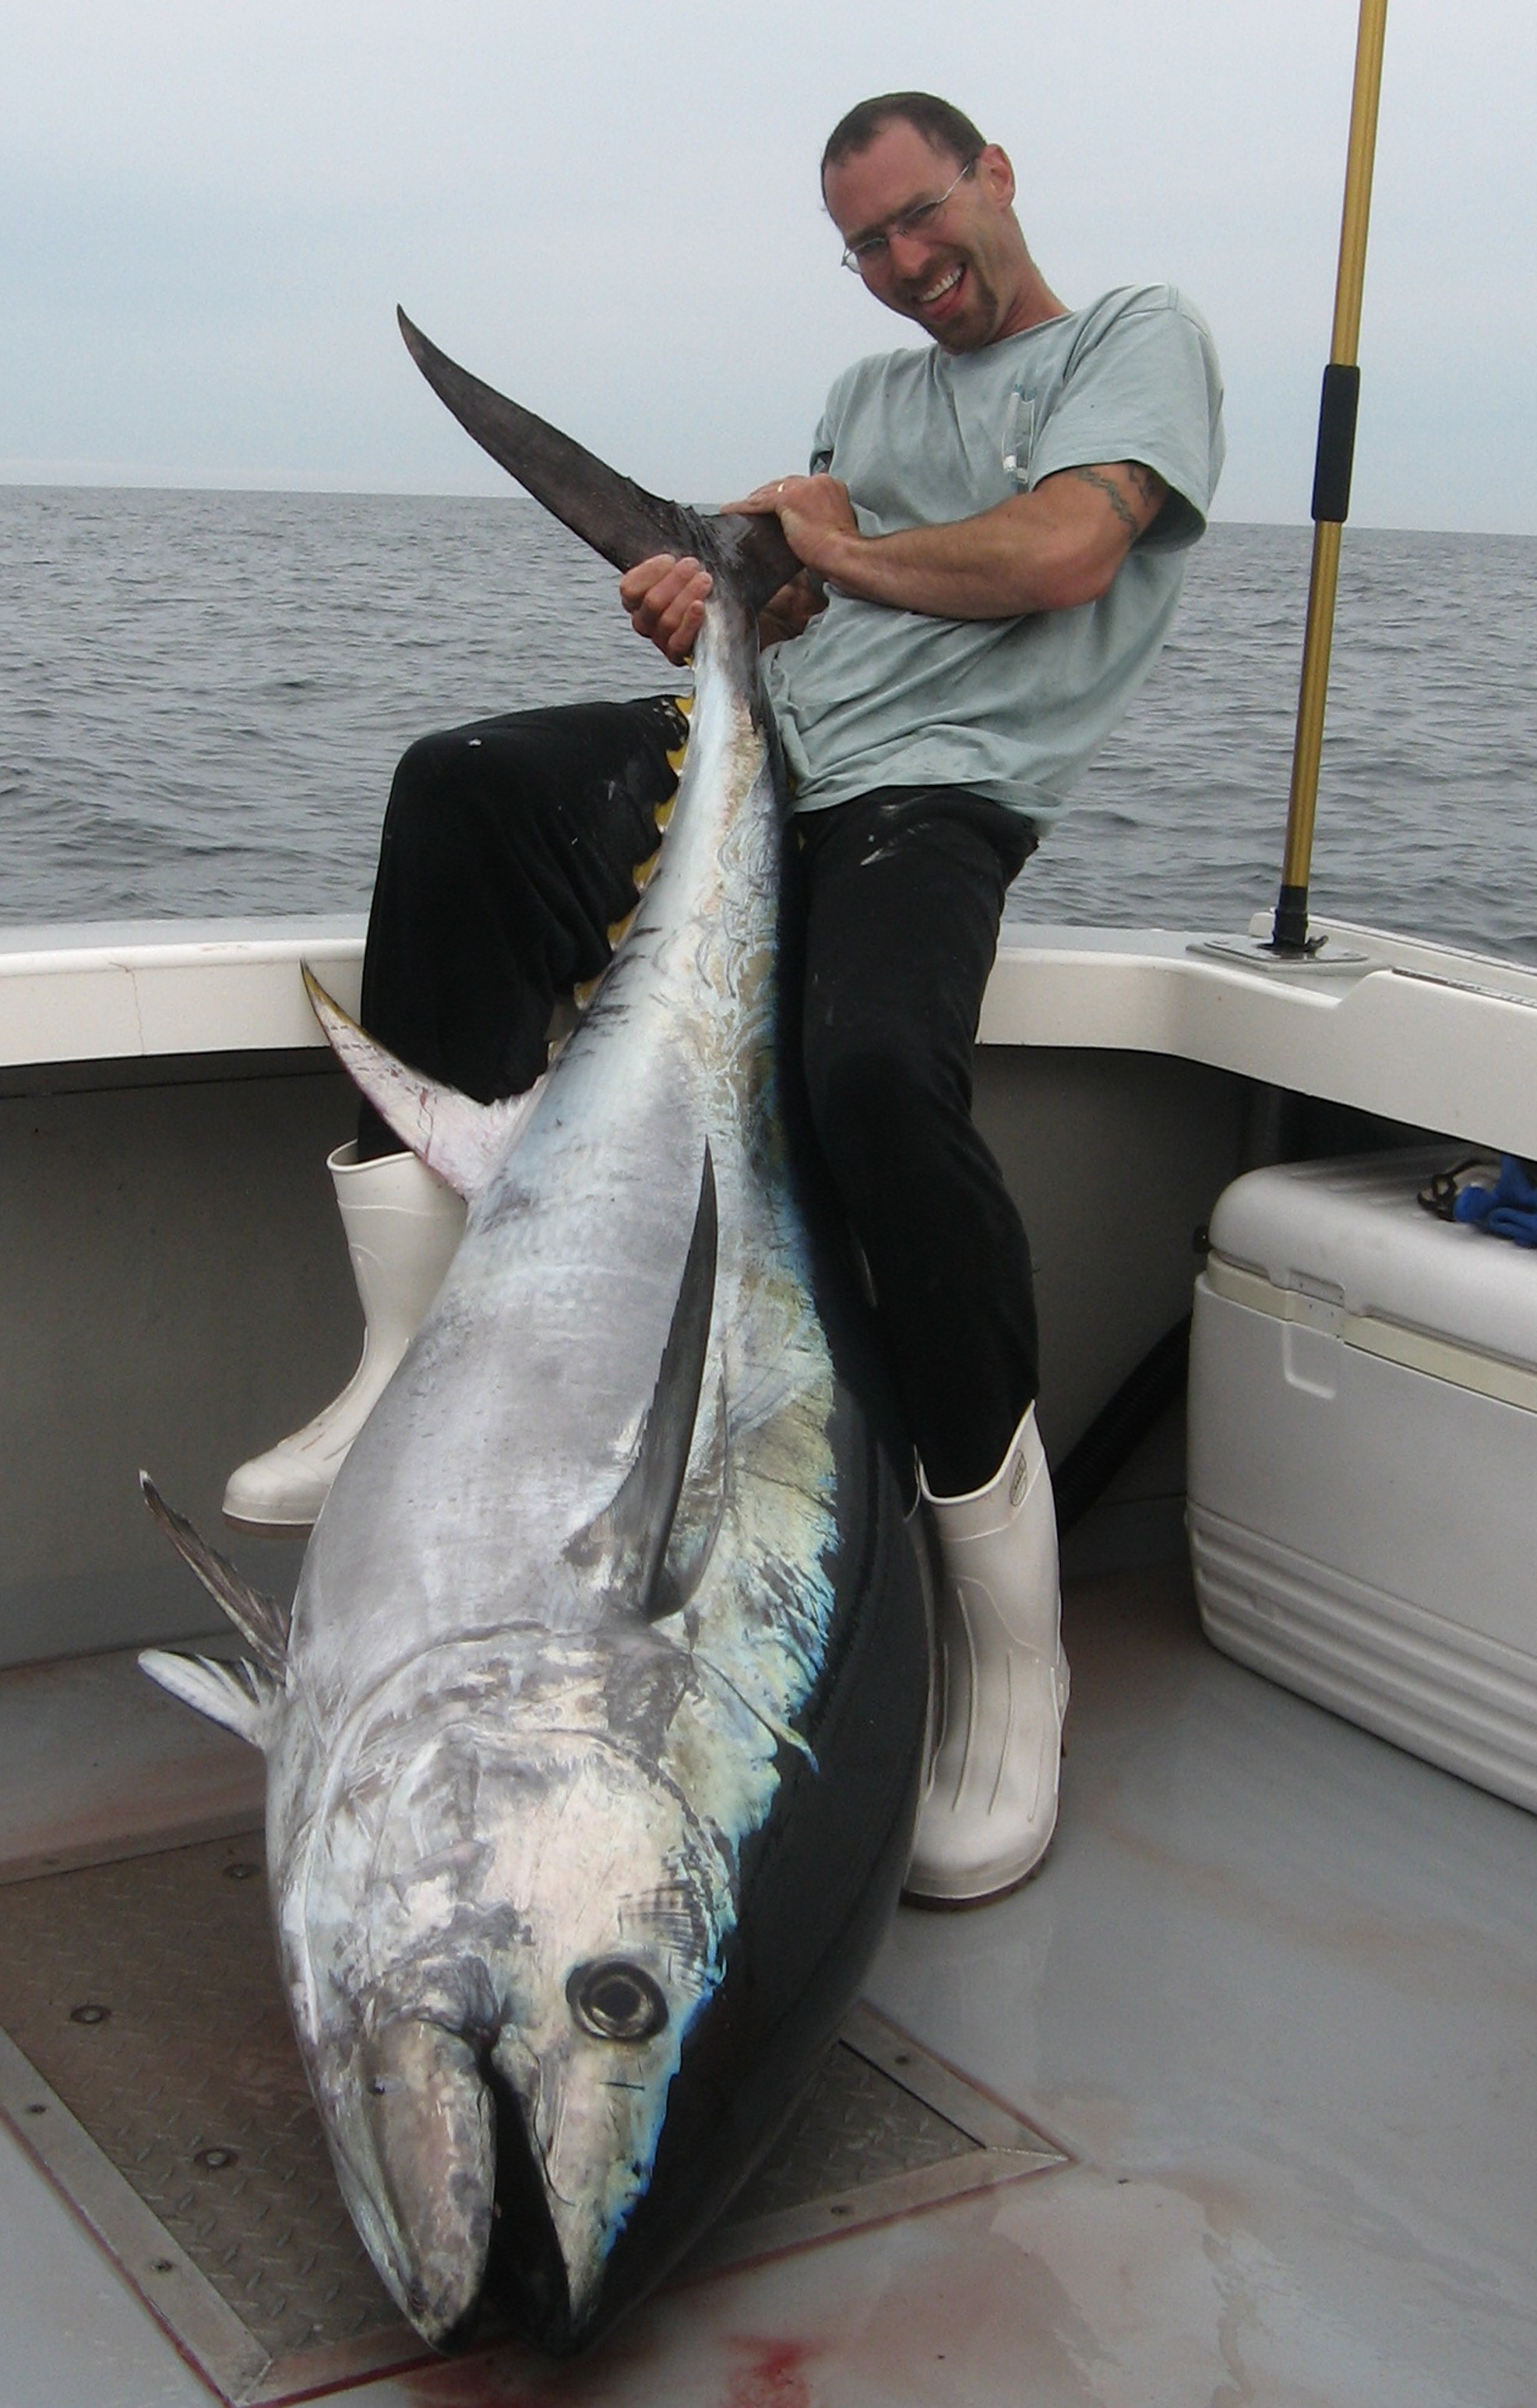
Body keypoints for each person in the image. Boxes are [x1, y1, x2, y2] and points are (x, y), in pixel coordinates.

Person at [223, 90, 1225, 1906]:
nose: (906, 265)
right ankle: (398, 1359)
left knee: (865, 1080)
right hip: (775, 770)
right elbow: (805, 618)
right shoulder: (865, 402)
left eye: (923, 218)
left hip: (934, 807)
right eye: (866, 246)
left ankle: (1011, 1648)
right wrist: (711, 600)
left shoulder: (1134, 345)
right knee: (462, 781)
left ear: (994, 178)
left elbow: (1063, 555)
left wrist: (821, 546)